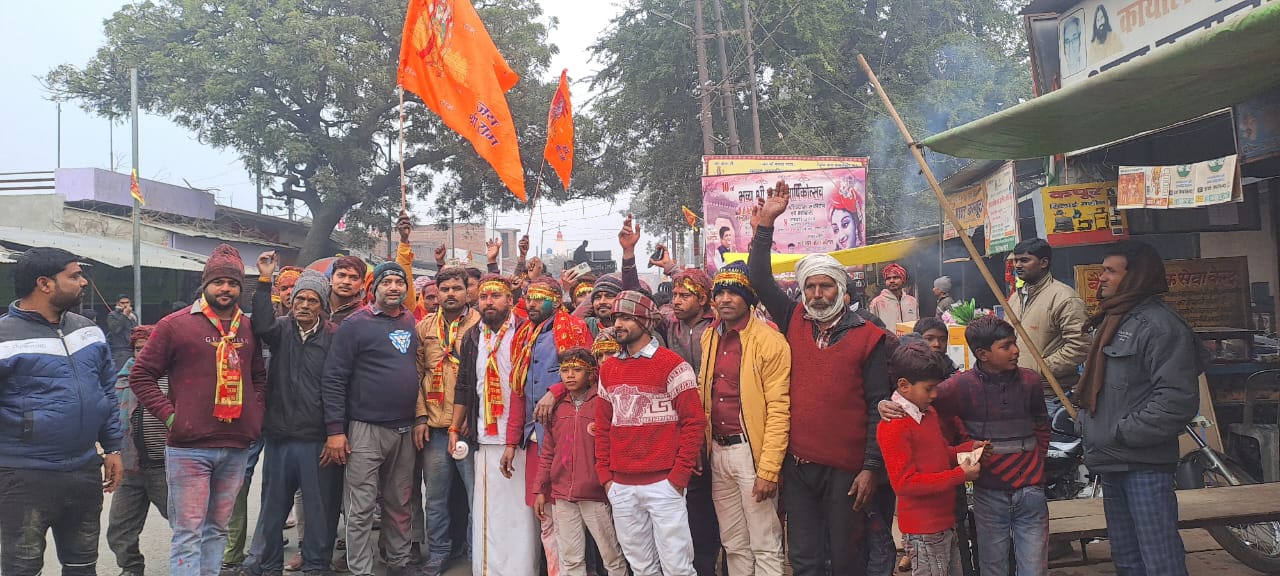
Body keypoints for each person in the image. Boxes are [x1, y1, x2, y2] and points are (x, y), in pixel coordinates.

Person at [748, 183, 891, 576]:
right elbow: (758, 279)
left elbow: (879, 406)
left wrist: (870, 468)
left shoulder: (869, 336)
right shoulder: (793, 318)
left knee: (846, 556)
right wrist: (766, 226)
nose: (817, 293)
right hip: (798, 465)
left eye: (825, 285)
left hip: (847, 468)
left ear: (841, 290)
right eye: (810, 286)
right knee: (806, 557)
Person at [131, 243, 268, 576]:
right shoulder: (174, 325)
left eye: (232, 283)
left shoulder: (249, 328)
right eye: (218, 282)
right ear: (204, 284)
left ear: (240, 287)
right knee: (188, 532)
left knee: (218, 528)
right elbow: (141, 375)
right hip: (189, 448)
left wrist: (255, 415)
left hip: (236, 446)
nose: (225, 289)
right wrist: (171, 416)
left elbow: (259, 378)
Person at [881, 316, 1050, 576]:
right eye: (1006, 346)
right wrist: (883, 404)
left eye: (1014, 344)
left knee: (1035, 567)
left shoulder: (1030, 382)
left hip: (1028, 490)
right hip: (983, 496)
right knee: (993, 565)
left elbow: (1041, 424)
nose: (1016, 351)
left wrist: (970, 448)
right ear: (982, 354)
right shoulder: (957, 388)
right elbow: (905, 480)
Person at [1075, 240, 1202, 576]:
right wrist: (1088, 424)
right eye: (1102, 269)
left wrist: (1122, 432)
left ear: (1135, 277)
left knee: (1160, 560)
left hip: (1143, 464)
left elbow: (1176, 400)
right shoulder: (1113, 320)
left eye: (1110, 271)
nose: (1101, 278)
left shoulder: (1159, 326)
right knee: (1128, 560)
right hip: (1112, 462)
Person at [0, 247, 123, 576]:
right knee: (22, 568)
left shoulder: (88, 330)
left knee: (83, 566)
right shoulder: (3, 338)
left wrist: (112, 447)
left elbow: (106, 391)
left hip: (83, 471)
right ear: (44, 283)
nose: (83, 282)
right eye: (74, 275)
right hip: (23, 476)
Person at [616, 217, 724, 576]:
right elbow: (637, 305)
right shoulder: (667, 325)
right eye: (674, 294)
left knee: (717, 517)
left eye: (684, 295)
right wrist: (629, 255)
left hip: (720, 429)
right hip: (679, 429)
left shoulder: (720, 326)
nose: (675, 301)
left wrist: (677, 267)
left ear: (704, 299)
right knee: (687, 516)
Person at [594, 290, 706, 576]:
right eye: (616, 317)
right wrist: (606, 477)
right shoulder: (608, 370)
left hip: (664, 484)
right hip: (621, 485)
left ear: (645, 321)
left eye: (626, 317)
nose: (617, 323)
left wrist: (678, 477)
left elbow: (694, 423)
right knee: (641, 567)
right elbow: (603, 427)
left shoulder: (673, 366)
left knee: (678, 568)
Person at [321, 261, 422, 576]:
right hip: (366, 429)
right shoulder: (355, 324)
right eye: (387, 282)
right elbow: (334, 379)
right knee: (361, 506)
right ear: (373, 288)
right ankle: (360, 568)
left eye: (399, 282)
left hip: (405, 429)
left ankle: (397, 561)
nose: (394, 287)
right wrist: (336, 431)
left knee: (399, 502)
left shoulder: (409, 321)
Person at [244, 254, 343, 576]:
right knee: (273, 511)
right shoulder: (280, 330)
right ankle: (269, 566)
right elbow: (259, 322)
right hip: (279, 438)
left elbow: (341, 385)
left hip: (317, 441)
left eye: (312, 300)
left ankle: (316, 566)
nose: (304, 305)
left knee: (319, 510)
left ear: (322, 305)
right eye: (299, 298)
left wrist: (335, 432)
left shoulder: (333, 336)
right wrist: (263, 280)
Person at [697, 263, 791, 576]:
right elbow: (703, 393)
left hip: (751, 454)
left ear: (748, 298)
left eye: (733, 293)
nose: (725, 299)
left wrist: (768, 469)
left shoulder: (769, 341)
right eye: (719, 292)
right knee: (733, 542)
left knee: (764, 541)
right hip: (718, 451)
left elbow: (779, 408)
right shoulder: (710, 337)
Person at [451, 274, 540, 576]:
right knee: (489, 512)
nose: (489, 302)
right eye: (484, 297)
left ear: (511, 301)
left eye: (496, 296)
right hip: (486, 437)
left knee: (523, 514)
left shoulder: (527, 333)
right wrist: (454, 427)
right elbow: (464, 385)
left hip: (523, 436)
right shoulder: (473, 336)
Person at [507, 276, 595, 575]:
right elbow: (519, 391)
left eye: (539, 297)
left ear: (557, 301)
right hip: (535, 437)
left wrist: (555, 391)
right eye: (528, 297)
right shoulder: (524, 335)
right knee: (544, 513)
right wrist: (510, 442)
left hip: (570, 435)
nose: (530, 303)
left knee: (578, 513)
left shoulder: (574, 329)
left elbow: (588, 374)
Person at [879, 342, 983, 576]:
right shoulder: (894, 426)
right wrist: (960, 475)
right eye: (929, 389)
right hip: (923, 529)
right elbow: (905, 483)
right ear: (904, 386)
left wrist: (968, 449)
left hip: (943, 522)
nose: (935, 395)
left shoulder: (927, 413)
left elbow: (939, 455)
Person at [535, 347, 630, 576]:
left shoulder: (602, 403)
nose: (570, 375)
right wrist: (540, 489)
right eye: (565, 370)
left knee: (612, 556)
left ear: (590, 374)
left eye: (577, 370)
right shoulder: (557, 407)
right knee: (571, 558)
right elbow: (548, 451)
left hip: (595, 494)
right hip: (562, 494)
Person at [412, 265, 481, 576]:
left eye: (457, 288)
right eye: (445, 289)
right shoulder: (425, 327)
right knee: (436, 498)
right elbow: (415, 377)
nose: (450, 294)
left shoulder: (481, 323)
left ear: (468, 292)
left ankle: (475, 552)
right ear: (436, 294)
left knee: (474, 496)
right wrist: (420, 417)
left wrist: (472, 416)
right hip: (436, 427)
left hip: (470, 427)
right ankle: (438, 553)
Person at [108, 325, 170, 576]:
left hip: (165, 468)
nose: (142, 354)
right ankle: (132, 569)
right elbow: (110, 415)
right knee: (119, 530)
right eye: (137, 349)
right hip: (130, 468)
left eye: (149, 349)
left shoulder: (174, 376)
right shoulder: (123, 377)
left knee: (188, 526)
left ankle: (196, 567)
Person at [1006, 238, 1090, 404]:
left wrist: (1039, 369)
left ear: (1044, 262)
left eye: (1024, 260)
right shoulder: (1016, 298)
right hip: (1017, 390)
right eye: (1016, 260)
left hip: (1051, 394)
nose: (1018, 266)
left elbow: (1080, 346)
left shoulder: (1065, 298)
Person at [108, 293, 140, 369]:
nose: (125, 305)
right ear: (117, 303)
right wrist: (124, 315)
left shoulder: (133, 315)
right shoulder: (112, 315)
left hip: (132, 349)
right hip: (120, 350)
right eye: (122, 303)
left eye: (127, 303)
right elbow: (115, 329)